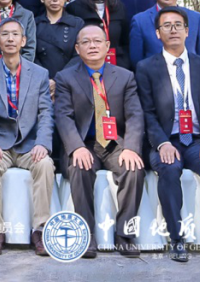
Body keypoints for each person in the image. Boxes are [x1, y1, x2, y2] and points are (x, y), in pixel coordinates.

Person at [134, 7, 200, 264]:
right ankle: (177, 240)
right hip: (166, 139)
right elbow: (146, 113)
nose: (173, 29)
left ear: (187, 31)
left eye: (178, 25)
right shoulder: (146, 68)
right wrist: (161, 143)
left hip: (197, 140)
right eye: (167, 25)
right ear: (158, 33)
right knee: (169, 167)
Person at [55, 24, 145, 259]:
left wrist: (131, 148)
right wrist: (76, 147)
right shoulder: (65, 77)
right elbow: (63, 116)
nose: (92, 45)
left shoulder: (125, 76)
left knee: (133, 168)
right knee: (79, 167)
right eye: (86, 42)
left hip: (114, 142)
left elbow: (135, 115)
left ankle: (125, 234)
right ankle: (86, 234)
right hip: (84, 141)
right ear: (77, 49)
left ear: (107, 46)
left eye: (97, 41)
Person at [0, 18, 55, 256]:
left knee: (45, 164)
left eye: (15, 35)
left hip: (30, 144)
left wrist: (42, 143)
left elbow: (46, 113)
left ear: (23, 41)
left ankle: (40, 229)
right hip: (0, 143)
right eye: (5, 35)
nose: (10, 39)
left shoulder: (39, 74)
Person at [67, 0, 132, 70]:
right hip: (85, 68)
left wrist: (124, 64)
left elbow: (126, 42)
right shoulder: (74, 9)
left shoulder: (118, 7)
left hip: (117, 68)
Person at [34, 0, 84, 80]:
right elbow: (32, 55)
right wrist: (46, 80)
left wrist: (59, 80)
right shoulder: (35, 24)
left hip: (71, 80)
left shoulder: (77, 23)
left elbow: (79, 55)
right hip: (42, 81)